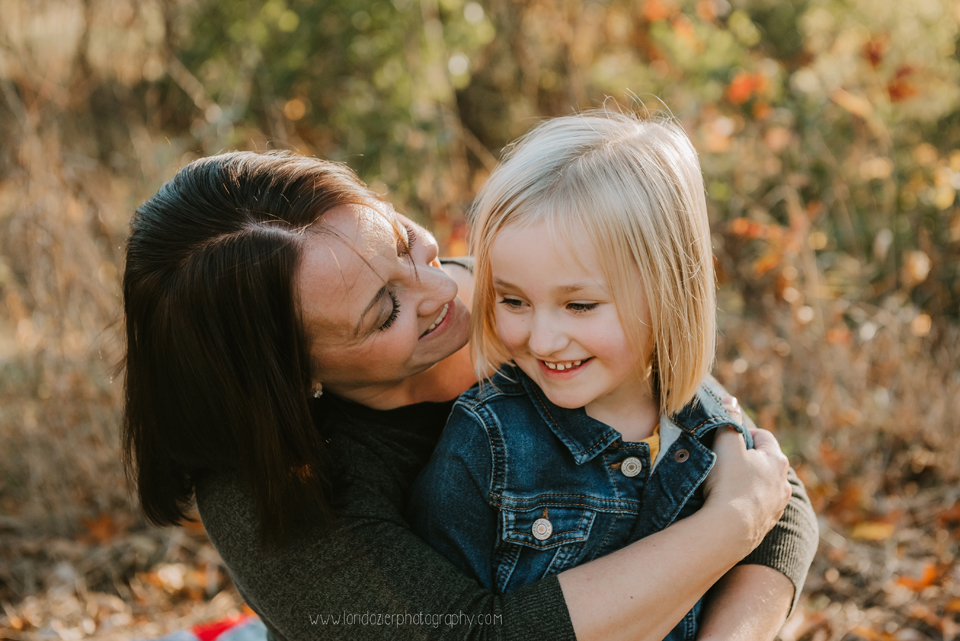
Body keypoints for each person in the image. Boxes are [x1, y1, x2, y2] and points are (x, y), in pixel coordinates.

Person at [122, 150, 817, 641]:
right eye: (385, 310)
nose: (443, 290)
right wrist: (726, 527)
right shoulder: (265, 484)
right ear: (291, 379)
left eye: (404, 241)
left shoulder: (528, 303)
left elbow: (764, 489)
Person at [408, 111, 782, 640]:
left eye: (580, 305)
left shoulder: (710, 430)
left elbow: (763, 541)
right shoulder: (486, 440)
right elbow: (444, 620)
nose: (541, 340)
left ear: (669, 292)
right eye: (513, 300)